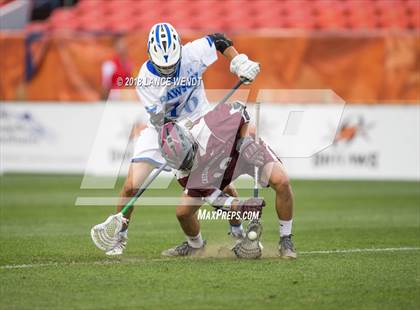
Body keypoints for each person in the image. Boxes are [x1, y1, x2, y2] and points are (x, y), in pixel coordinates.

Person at [105, 23, 260, 255]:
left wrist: (239, 62)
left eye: (172, 64)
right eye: (163, 67)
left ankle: (238, 230)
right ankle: (119, 237)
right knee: (130, 187)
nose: (169, 70)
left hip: (199, 121)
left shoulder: (193, 52)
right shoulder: (145, 79)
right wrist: (178, 138)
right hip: (163, 131)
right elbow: (164, 121)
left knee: (222, 181)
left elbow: (219, 40)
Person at [159, 101, 297, 259]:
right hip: (215, 172)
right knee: (183, 212)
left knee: (282, 181)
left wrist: (244, 142)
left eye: (190, 158)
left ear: (189, 140)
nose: (190, 164)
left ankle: (285, 239)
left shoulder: (210, 126)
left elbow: (241, 109)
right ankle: (195, 246)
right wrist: (243, 207)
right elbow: (214, 198)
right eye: (185, 164)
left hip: (245, 153)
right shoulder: (183, 174)